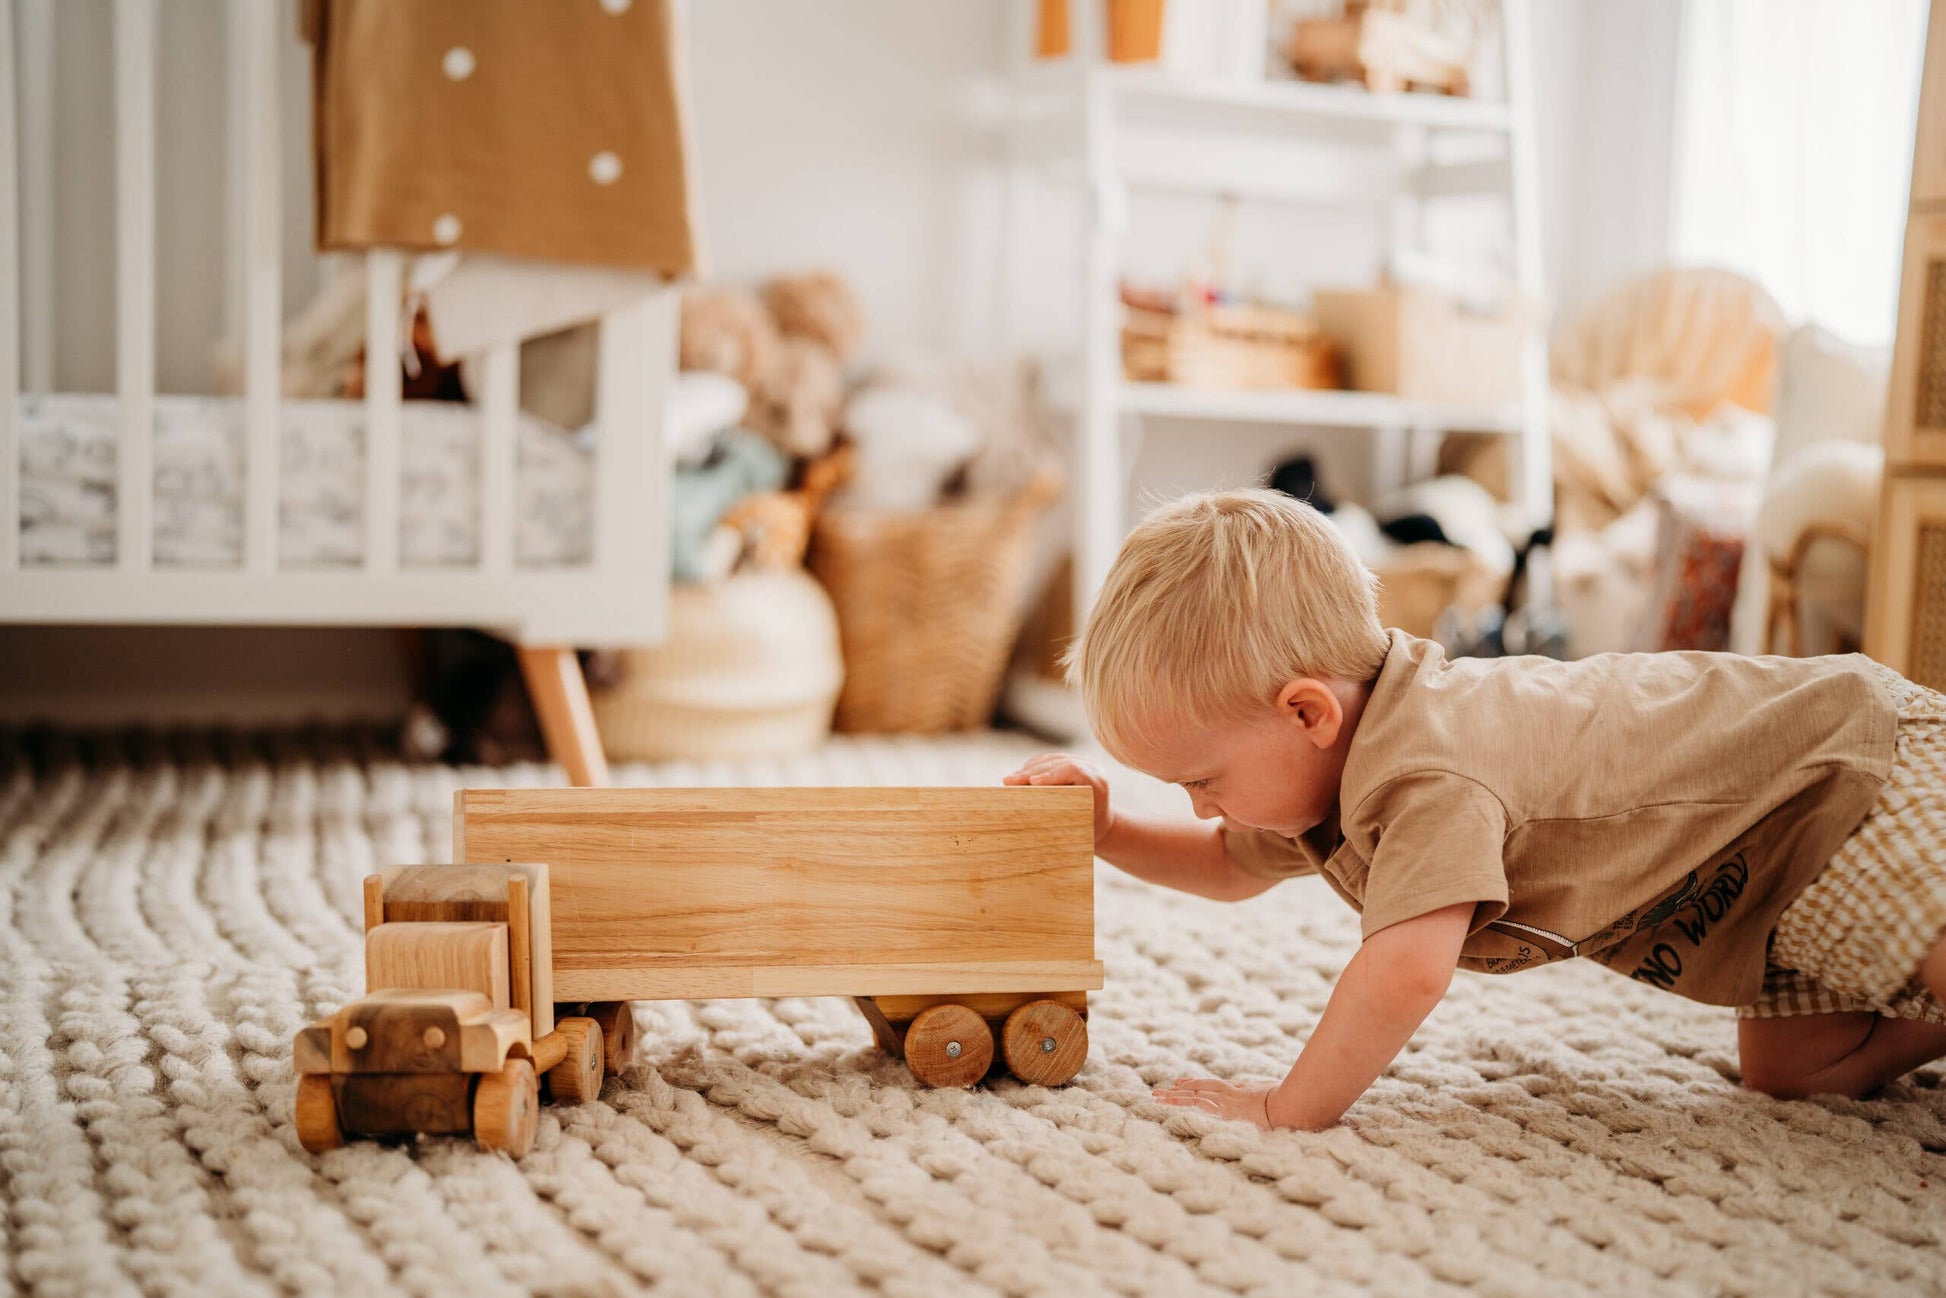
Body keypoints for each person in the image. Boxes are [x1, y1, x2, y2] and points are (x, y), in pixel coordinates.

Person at [1004, 488, 1946, 1130]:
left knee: (1929, 942)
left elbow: (1405, 969)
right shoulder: (1326, 768)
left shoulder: (1431, 771)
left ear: (1306, 712)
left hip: (1844, 774)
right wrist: (1109, 832)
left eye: (1202, 780)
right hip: (1760, 881)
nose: (1202, 807)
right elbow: (1225, 865)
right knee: (1796, 1071)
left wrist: (1289, 1106)